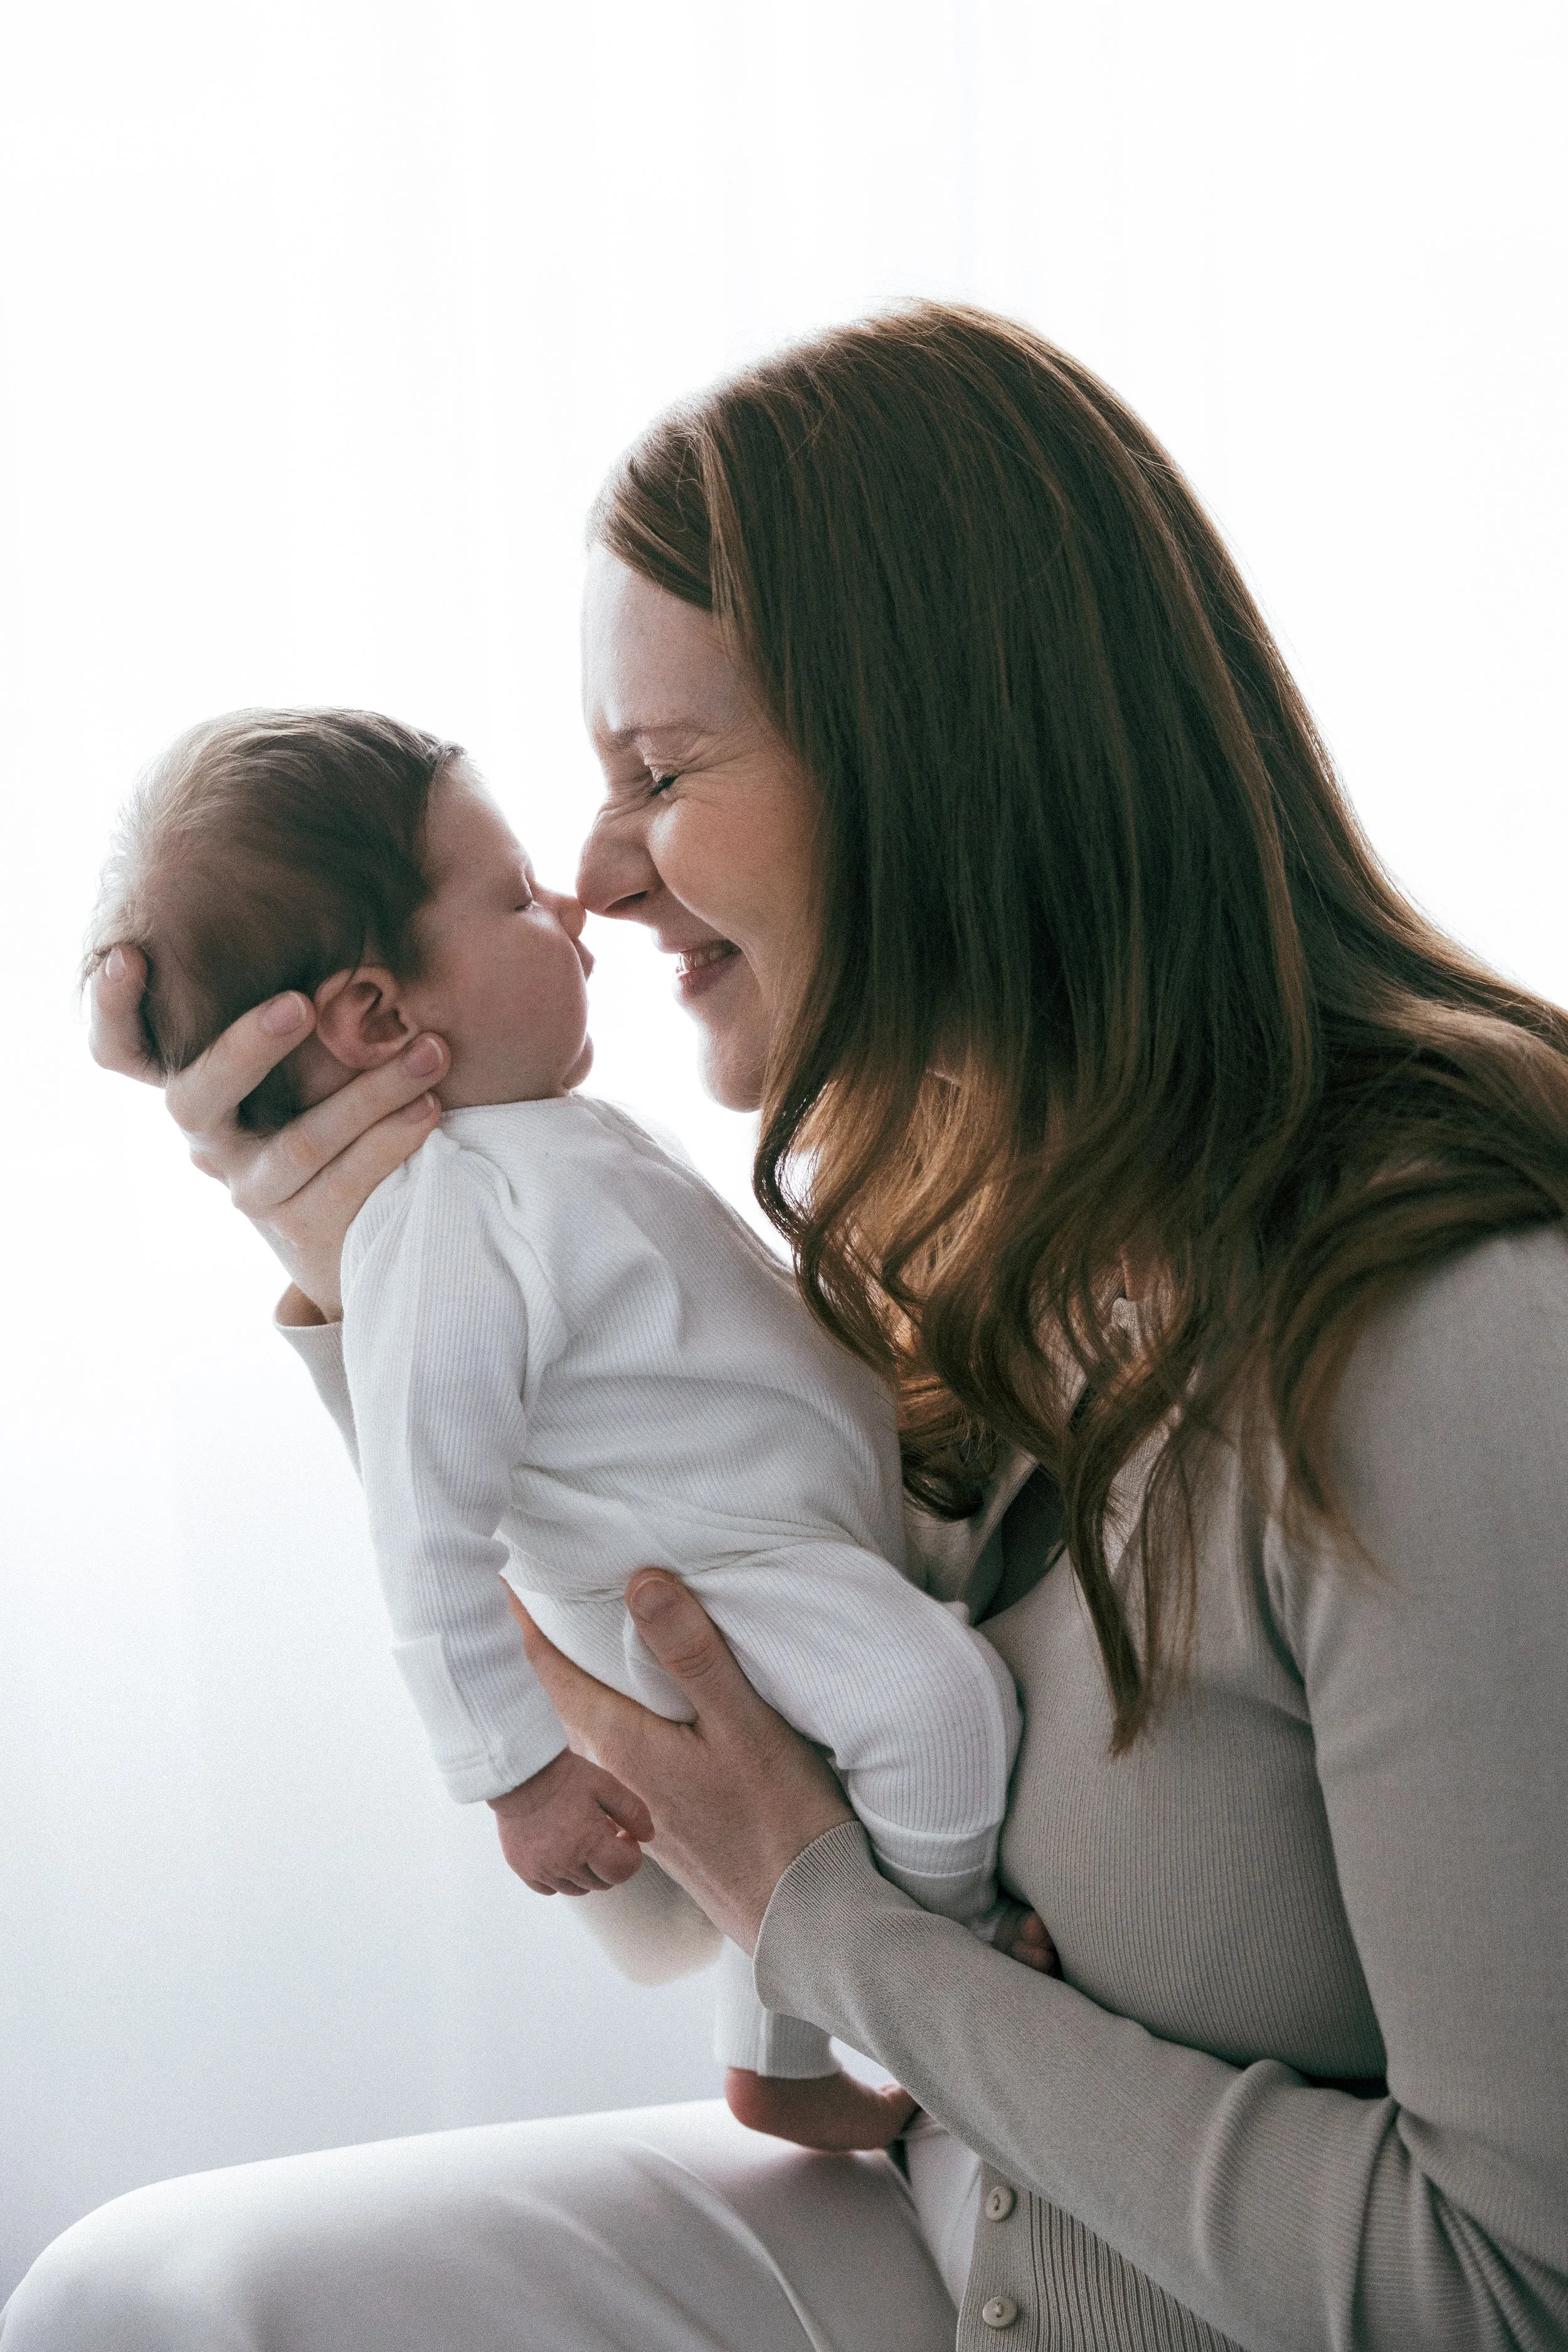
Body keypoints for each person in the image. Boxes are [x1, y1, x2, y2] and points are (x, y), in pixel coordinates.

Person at [7, 300, 1567, 2351]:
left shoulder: (1455, 1337)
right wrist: (364, 1280)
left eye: (657, 769)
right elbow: (673, 1900)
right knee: (153, 2296)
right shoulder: (938, 1238)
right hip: (954, 2236)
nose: (591, 874)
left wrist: (862, 1952)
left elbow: (1513, 2283)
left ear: (942, 754)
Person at [80, 706, 1030, 2129]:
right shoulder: (447, 1219)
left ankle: (779, 2070)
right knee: (932, 1706)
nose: (579, 893)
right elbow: (430, 1524)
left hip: (763, 1547)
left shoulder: (535, 1154)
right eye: (515, 898)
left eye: (664, 769)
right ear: (379, 1020)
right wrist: (517, 1776)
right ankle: (947, 1989)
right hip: (710, 1579)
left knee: (825, 1783)